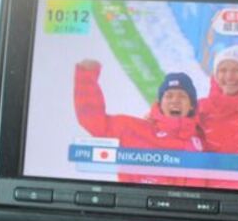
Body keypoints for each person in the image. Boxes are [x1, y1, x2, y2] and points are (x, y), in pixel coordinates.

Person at [73, 59, 204, 185]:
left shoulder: (204, 137)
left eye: (182, 96)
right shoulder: (135, 131)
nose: (175, 101)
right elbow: (94, 121)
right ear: (160, 103)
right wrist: (86, 78)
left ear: (192, 105)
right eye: (168, 96)